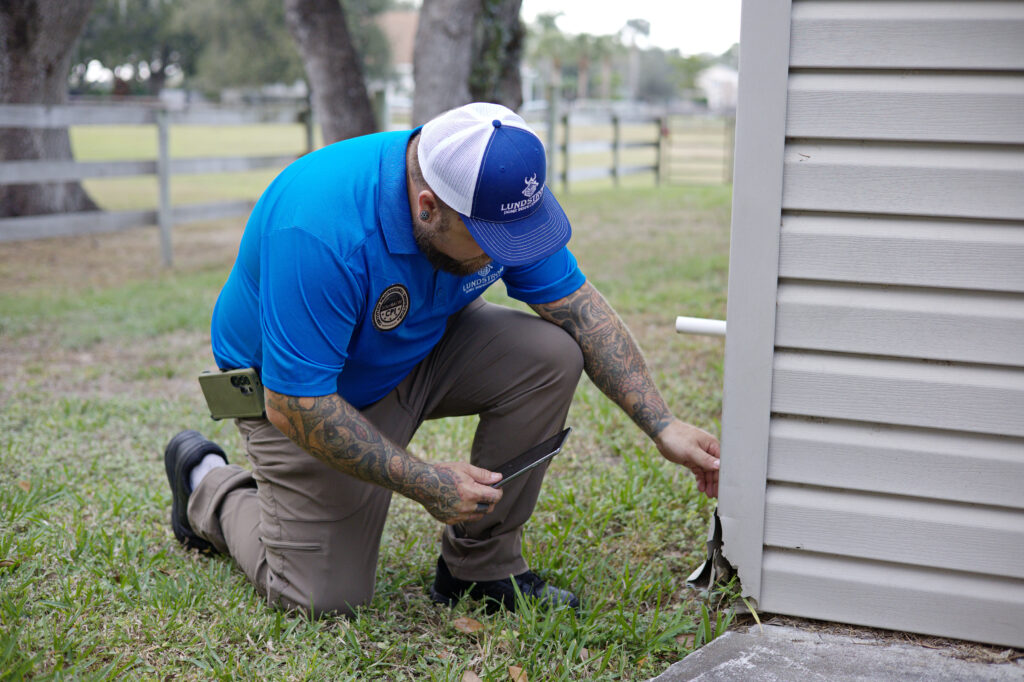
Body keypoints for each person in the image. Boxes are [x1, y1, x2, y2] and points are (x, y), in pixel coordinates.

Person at [163, 102, 720, 617]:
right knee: (319, 595)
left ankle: (479, 570)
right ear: (428, 207)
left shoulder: (497, 201)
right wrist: (426, 481)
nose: (509, 254)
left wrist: (661, 423)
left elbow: (576, 308)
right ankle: (208, 484)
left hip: (416, 349)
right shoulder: (317, 226)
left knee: (550, 353)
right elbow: (296, 402)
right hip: (300, 397)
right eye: (489, 241)